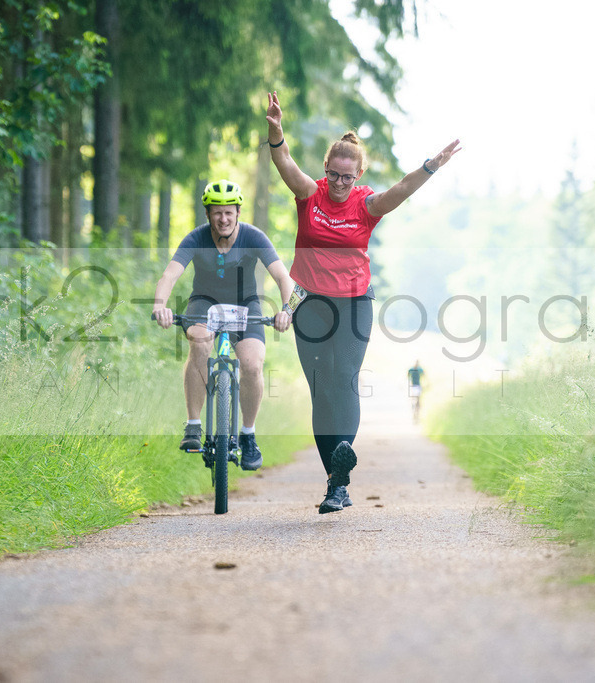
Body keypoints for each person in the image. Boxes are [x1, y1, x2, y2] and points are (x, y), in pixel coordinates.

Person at [266, 90, 461, 513]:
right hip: (310, 302)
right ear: (326, 170)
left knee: (345, 379)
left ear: (357, 176)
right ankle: (336, 483)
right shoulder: (309, 195)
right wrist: (276, 132)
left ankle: (340, 474)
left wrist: (431, 166)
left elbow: (403, 188)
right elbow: (285, 166)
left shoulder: (366, 205)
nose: (339, 184)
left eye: (346, 177)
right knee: (321, 391)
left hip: (355, 302)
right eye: (334, 175)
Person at [152, 179, 294, 471]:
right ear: (208, 215)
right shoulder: (196, 238)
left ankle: (248, 435)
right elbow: (169, 276)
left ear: (238, 212)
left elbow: (282, 276)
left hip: (246, 305)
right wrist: (159, 305)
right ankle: (193, 425)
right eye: (217, 212)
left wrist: (286, 310)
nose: (223, 218)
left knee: (252, 365)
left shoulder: (254, 237)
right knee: (199, 342)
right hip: (204, 303)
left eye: (229, 212)